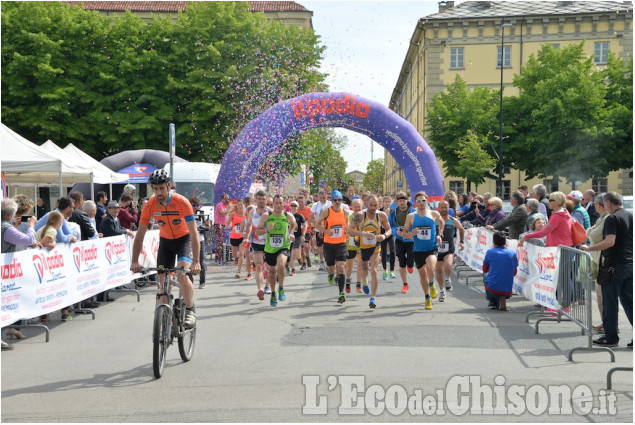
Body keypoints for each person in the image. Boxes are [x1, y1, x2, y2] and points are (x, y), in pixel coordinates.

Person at [131, 169, 201, 329]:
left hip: (184, 240)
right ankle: (165, 326)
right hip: (166, 242)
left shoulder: (182, 202)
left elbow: (194, 233)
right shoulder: (150, 205)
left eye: (161, 188)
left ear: (169, 186)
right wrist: (134, 261)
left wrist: (196, 261)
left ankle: (190, 310)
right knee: (162, 284)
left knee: (182, 273)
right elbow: (140, 234)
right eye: (155, 189)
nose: (158, 192)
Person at [581, 192, 633, 348]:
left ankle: (610, 337)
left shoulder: (612, 218)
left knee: (609, 302)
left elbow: (610, 241)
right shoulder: (630, 215)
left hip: (613, 264)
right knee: (629, 302)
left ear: (609, 203)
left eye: (605, 204)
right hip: (628, 263)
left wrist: (590, 248)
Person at [1, 198, 41, 347]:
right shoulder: (6, 228)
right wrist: (31, 226)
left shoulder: (7, 227)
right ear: (11, 214)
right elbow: (29, 239)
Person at [348, 195, 391, 309]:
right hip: (362, 246)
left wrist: (384, 235)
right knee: (364, 268)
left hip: (375, 247)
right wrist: (363, 234)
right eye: (371, 205)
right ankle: (365, 282)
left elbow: (389, 229)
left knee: (374, 270)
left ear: (379, 205)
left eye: (375, 205)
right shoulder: (360, 215)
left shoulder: (381, 215)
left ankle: (373, 298)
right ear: (367, 204)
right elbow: (349, 230)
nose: (372, 208)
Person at [403, 191, 444, 310]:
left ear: (427, 201)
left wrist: (440, 235)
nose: (421, 203)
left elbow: (442, 222)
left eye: (423, 200)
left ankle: (432, 284)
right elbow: (404, 233)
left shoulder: (434, 214)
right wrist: (411, 233)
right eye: (419, 201)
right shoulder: (411, 216)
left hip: (431, 248)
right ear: (416, 203)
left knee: (431, 267)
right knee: (422, 276)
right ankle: (427, 297)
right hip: (418, 250)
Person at [255, 194, 296, 307]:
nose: (278, 205)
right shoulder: (266, 216)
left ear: (284, 204)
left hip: (283, 246)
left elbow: (293, 224)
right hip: (270, 248)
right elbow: (257, 231)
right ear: (273, 204)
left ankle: (281, 287)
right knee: (272, 272)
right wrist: (266, 229)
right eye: (276, 203)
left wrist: (291, 233)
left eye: (280, 203)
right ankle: (273, 293)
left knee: (281, 265)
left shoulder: (288, 215)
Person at [316, 190, 349, 304]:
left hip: (341, 244)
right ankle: (331, 275)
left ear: (342, 200)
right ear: (332, 201)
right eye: (335, 200)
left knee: (341, 267)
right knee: (331, 268)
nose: (337, 202)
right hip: (329, 244)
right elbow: (316, 224)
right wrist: (325, 231)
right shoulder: (326, 212)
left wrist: (348, 233)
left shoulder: (345, 212)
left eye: (339, 200)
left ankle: (341, 293)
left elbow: (347, 225)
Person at [584, 193, 609, 333]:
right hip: (599, 259)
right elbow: (591, 232)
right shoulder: (602, 218)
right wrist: (590, 231)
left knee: (603, 295)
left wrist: (590, 231)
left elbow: (593, 236)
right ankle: (605, 322)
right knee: (600, 295)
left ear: (599, 205)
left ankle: (608, 325)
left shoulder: (606, 218)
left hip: (603, 261)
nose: (594, 208)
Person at [245, 190, 271, 300]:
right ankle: (260, 288)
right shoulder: (252, 212)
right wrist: (246, 237)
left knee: (269, 267)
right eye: (259, 199)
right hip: (256, 242)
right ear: (256, 199)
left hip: (269, 242)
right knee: (259, 266)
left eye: (263, 199)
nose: (261, 201)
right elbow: (249, 225)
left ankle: (268, 285)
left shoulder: (270, 211)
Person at [435, 200, 465, 298]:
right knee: (439, 272)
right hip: (437, 249)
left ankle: (447, 279)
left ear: (449, 208)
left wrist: (461, 242)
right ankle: (441, 291)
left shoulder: (453, 220)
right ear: (439, 208)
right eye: (442, 207)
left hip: (449, 248)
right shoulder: (434, 220)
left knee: (448, 265)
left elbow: (461, 229)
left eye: (446, 207)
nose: (444, 209)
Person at [388, 191, 416, 294]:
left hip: (411, 240)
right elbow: (389, 226)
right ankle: (405, 285)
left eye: (403, 201)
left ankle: (410, 265)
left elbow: (418, 223)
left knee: (410, 262)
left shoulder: (413, 212)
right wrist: (397, 232)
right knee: (401, 262)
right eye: (400, 201)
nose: (402, 203)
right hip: (399, 240)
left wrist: (412, 231)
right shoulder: (393, 213)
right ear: (397, 202)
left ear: (407, 201)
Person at [483, 231, 518, 311]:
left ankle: (493, 301)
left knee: (485, 275)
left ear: (494, 242)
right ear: (505, 242)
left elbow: (485, 269)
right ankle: (501, 297)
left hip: (493, 288)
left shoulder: (490, 252)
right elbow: (514, 272)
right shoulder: (512, 253)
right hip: (508, 290)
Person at [189, 196, 210, 288]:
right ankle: (190, 281)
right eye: (193, 205)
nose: (195, 207)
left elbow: (208, 226)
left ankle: (202, 281)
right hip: (188, 240)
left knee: (201, 261)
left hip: (200, 239)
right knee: (188, 261)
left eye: (197, 205)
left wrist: (206, 226)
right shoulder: (186, 213)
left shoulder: (202, 214)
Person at [310, 191, 331, 271]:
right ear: (319, 197)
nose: (322, 199)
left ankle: (328, 262)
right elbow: (310, 217)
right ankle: (321, 262)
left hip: (328, 229)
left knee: (328, 246)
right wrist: (317, 222)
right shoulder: (316, 205)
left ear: (326, 196)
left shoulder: (330, 204)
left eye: (324, 197)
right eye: (321, 198)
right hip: (319, 229)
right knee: (320, 246)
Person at [345, 198, 363, 293]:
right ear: (352, 207)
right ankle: (348, 279)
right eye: (355, 206)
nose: (357, 208)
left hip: (361, 243)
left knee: (360, 263)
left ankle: (358, 283)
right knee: (349, 265)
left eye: (359, 206)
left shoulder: (364, 216)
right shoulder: (349, 217)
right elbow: (345, 228)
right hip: (350, 243)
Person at [227, 199, 247, 279]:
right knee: (235, 255)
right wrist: (231, 228)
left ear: (244, 205)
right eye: (238, 205)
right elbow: (227, 224)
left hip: (242, 236)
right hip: (234, 236)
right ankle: (237, 258)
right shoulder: (233, 214)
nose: (240, 206)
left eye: (241, 205)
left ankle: (238, 271)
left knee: (242, 254)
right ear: (237, 206)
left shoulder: (246, 214)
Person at [379, 195, 396, 280]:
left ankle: (392, 271)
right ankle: (385, 269)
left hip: (390, 232)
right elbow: (378, 222)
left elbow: (394, 222)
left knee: (392, 251)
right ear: (383, 203)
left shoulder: (393, 211)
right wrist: (385, 214)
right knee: (384, 251)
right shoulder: (380, 211)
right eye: (386, 202)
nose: (387, 204)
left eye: (389, 202)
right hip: (382, 232)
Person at [289, 201, 306, 276]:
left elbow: (305, 225)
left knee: (297, 254)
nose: (293, 207)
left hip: (298, 236)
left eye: (294, 206)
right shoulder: (287, 215)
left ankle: (299, 259)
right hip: (290, 236)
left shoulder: (300, 215)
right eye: (292, 205)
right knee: (291, 254)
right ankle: (293, 269)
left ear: (297, 207)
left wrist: (303, 235)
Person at [296, 194, 312, 269]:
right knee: (302, 248)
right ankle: (304, 263)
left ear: (305, 201)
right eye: (299, 202)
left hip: (307, 230)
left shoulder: (309, 209)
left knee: (306, 246)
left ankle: (308, 256)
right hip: (299, 232)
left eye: (302, 202)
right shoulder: (297, 210)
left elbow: (312, 219)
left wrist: (314, 228)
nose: (301, 203)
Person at [213, 193, 230, 264]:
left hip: (223, 225)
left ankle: (222, 257)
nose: (227, 200)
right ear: (222, 199)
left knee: (222, 241)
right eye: (226, 198)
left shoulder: (226, 205)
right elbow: (223, 213)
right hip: (218, 224)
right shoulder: (219, 205)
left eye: (228, 198)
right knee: (219, 242)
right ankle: (218, 258)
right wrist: (229, 209)